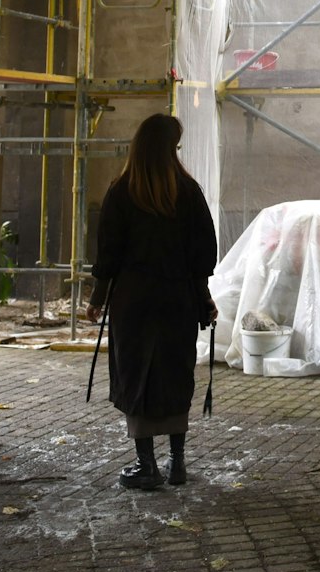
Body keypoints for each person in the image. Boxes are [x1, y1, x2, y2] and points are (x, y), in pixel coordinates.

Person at [85, 113, 219, 489]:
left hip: (134, 301)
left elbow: (109, 253)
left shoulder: (121, 191)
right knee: (176, 373)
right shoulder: (188, 192)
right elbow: (201, 255)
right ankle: (177, 463)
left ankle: (147, 466)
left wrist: (97, 297)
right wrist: (204, 299)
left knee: (136, 375)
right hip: (177, 298)